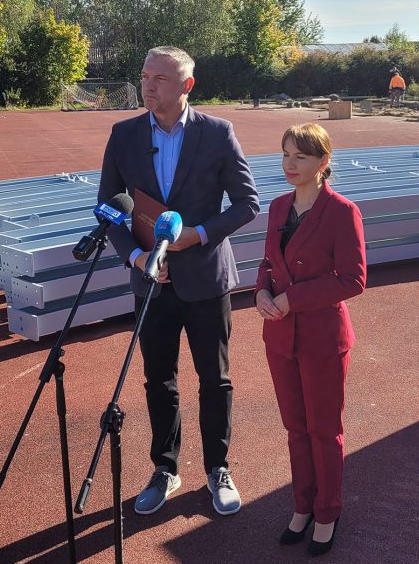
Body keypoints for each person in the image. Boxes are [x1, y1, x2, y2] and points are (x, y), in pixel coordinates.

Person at [98, 46, 260, 515]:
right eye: (145, 76)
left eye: (160, 78)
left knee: (215, 379)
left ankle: (218, 467)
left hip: (206, 279)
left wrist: (199, 234)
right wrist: (136, 257)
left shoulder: (218, 133)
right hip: (151, 281)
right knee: (158, 380)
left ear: (187, 85)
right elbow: (109, 208)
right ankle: (165, 468)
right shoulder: (124, 134)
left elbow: (247, 203)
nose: (148, 85)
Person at [255, 123, 366, 555]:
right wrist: (262, 292)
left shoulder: (342, 211)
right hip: (280, 337)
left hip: (322, 339)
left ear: (323, 162)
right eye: (285, 155)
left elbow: (353, 279)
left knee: (324, 431)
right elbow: (269, 262)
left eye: (300, 157)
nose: (290, 164)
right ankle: (302, 505)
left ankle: (327, 511)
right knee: (295, 429)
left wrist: (291, 299)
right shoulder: (278, 207)